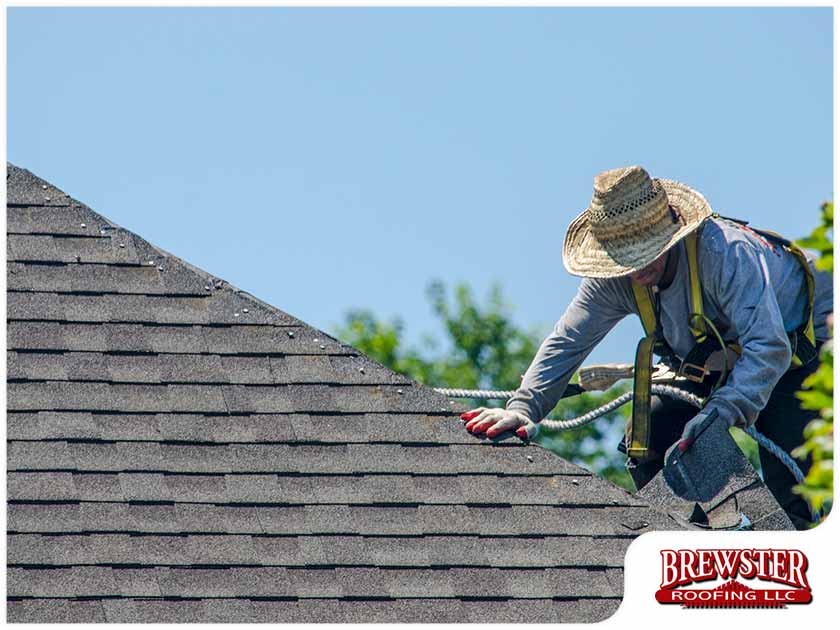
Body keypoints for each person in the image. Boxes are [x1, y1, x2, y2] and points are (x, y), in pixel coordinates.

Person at [460, 165, 833, 529]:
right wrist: (525, 408)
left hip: (799, 352)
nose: (634, 269)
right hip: (717, 358)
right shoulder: (615, 279)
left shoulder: (724, 254)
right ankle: (694, 536)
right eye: (623, 258)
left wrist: (722, 412)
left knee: (794, 493)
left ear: (671, 233)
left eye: (644, 252)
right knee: (651, 428)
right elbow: (569, 341)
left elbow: (769, 349)